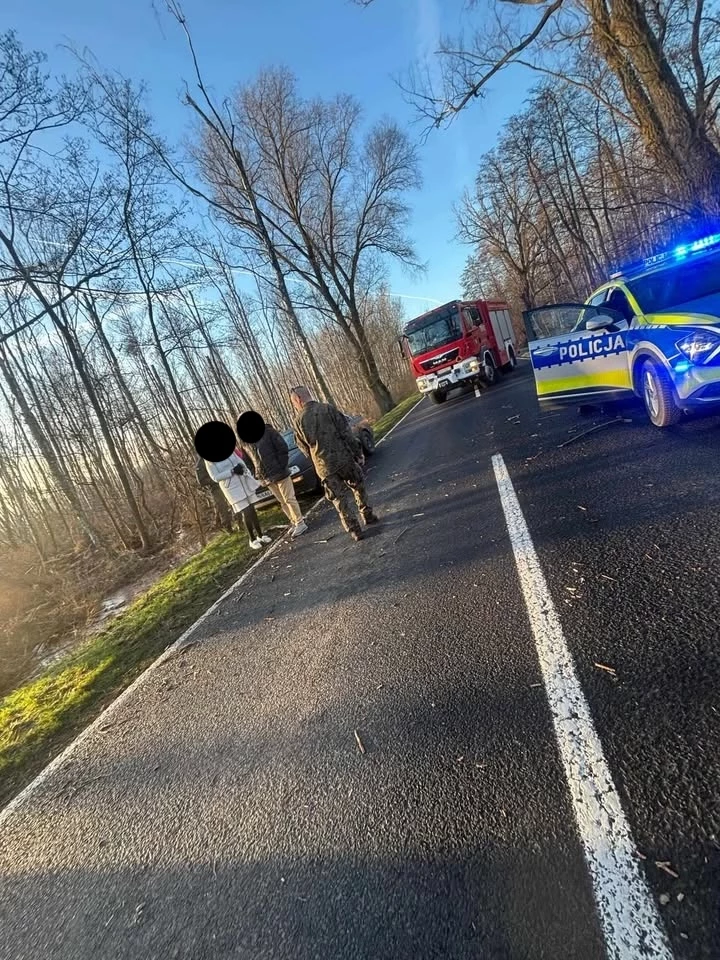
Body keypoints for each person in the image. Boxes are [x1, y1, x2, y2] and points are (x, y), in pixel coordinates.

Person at [290, 385, 378, 542]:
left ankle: (354, 530)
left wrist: (316, 459)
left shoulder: (298, 422)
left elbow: (304, 448)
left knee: (339, 499)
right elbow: (346, 433)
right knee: (358, 486)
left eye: (294, 403)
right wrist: (358, 454)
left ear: (298, 400)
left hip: (324, 467)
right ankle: (367, 514)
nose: (295, 406)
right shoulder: (328, 409)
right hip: (344, 459)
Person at [239, 422, 308, 539]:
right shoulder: (245, 442)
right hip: (265, 477)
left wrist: (281, 465)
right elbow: (247, 461)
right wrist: (256, 474)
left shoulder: (268, 431)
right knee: (282, 501)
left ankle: (300, 523)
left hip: (280, 472)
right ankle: (294, 521)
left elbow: (282, 447)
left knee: (289, 498)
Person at [204, 448, 270, 550]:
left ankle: (260, 535)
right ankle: (252, 539)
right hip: (232, 488)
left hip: (244, 482)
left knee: (252, 510)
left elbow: (239, 460)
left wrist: (242, 467)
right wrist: (231, 471)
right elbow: (215, 477)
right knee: (246, 512)